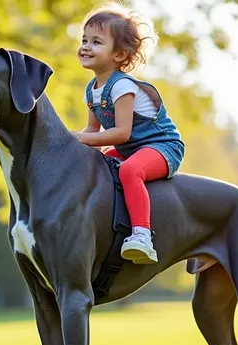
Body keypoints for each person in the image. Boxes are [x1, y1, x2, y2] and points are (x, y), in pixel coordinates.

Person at [70, 2, 185, 265]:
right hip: (131, 148)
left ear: (120, 55)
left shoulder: (121, 86)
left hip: (162, 146)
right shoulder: (92, 89)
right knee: (99, 164)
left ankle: (142, 234)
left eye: (97, 42)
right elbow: (92, 131)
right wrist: (71, 142)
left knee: (130, 171)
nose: (86, 46)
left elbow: (121, 132)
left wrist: (83, 138)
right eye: (85, 39)